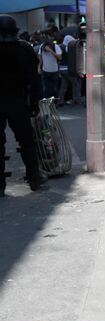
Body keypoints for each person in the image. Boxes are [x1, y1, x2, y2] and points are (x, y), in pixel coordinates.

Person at [0, 15, 48, 196]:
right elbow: (34, 80)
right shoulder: (24, 49)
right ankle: (34, 179)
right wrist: (36, 102)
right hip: (17, 101)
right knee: (27, 142)